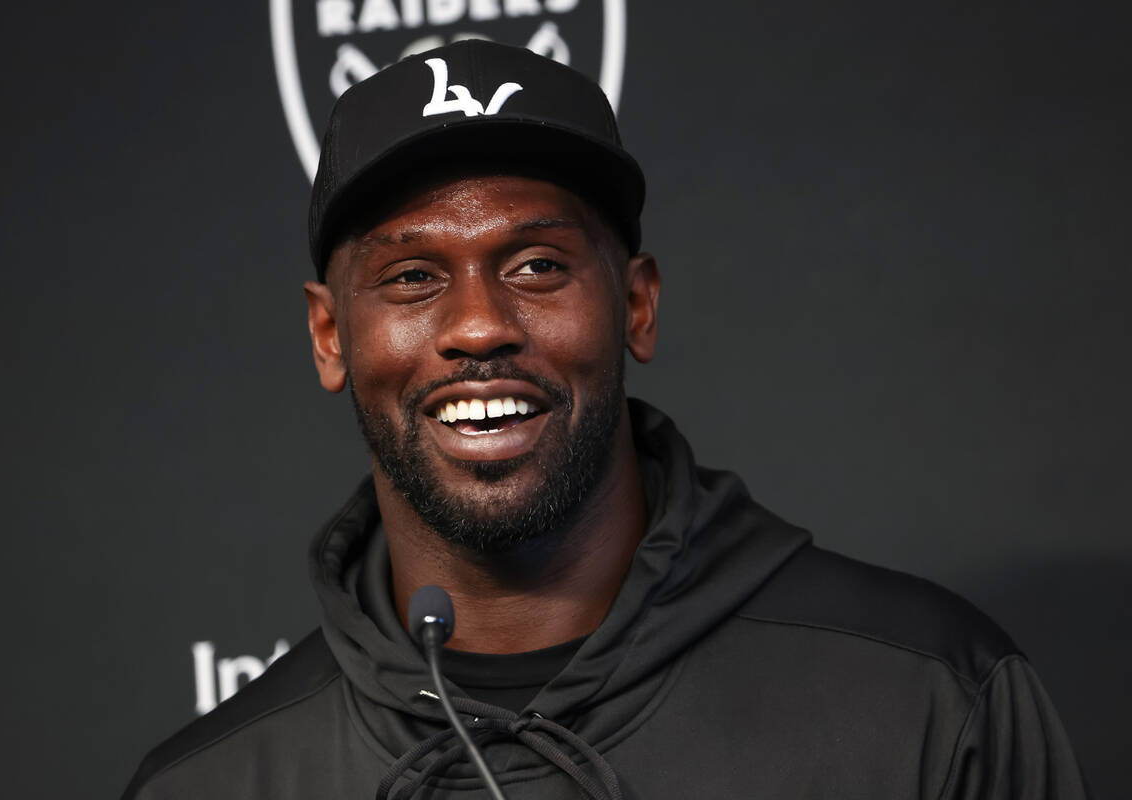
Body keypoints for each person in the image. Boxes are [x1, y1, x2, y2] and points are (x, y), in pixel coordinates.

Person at [123, 40, 1088, 799]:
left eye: (537, 265)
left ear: (636, 305)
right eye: (413, 277)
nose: (478, 326)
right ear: (331, 337)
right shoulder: (212, 783)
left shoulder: (928, 701)